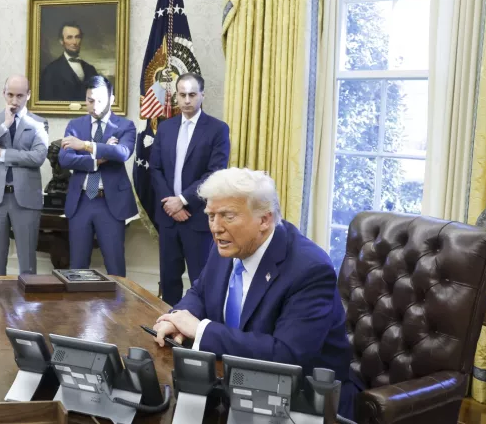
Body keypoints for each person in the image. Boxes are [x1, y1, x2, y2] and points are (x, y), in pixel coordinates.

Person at [151, 168, 356, 418]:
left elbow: (286, 356)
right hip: (233, 388)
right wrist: (178, 319)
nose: (215, 228)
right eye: (211, 215)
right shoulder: (228, 244)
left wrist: (200, 330)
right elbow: (201, 292)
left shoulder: (310, 269)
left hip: (301, 401)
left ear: (264, 220)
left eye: (227, 216)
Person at [147, 73, 230, 306]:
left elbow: (214, 173)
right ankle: (169, 326)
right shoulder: (165, 128)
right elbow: (155, 169)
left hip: (197, 219)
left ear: (202, 95)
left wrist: (183, 200)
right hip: (168, 218)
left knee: (200, 281)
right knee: (169, 281)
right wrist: (171, 204)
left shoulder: (217, 129)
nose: (186, 100)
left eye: (192, 95)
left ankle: (198, 333)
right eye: (182, 95)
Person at [58, 76, 137, 276]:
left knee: (115, 265)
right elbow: (65, 160)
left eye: (100, 100)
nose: (94, 106)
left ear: (112, 99)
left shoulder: (125, 126)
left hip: (110, 204)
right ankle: (78, 307)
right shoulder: (75, 125)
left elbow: (122, 153)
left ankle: (120, 308)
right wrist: (97, 159)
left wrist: (84, 146)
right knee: (77, 266)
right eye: (90, 100)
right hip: (81, 201)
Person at [0, 75, 49, 276]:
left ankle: (27, 307)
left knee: (27, 262)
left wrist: (2, 153)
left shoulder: (39, 123)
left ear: (29, 95)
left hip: (25, 198)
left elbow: (38, 157)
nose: (14, 101)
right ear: (3, 93)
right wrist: (4, 125)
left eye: (20, 96)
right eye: (10, 95)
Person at [39, 22, 99, 103]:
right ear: (61, 41)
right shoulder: (50, 71)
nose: (74, 42)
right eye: (69, 37)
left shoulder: (90, 69)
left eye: (77, 37)